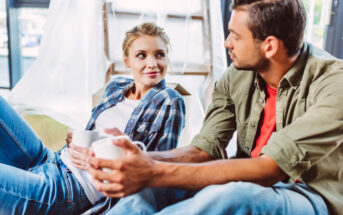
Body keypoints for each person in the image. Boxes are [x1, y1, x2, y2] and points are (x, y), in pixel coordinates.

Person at [86, 1, 343, 214]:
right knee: (149, 190)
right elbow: (204, 151)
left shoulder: (335, 83)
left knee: (231, 196)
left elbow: (269, 169)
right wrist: (138, 161)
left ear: (270, 46)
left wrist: (152, 170)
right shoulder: (237, 75)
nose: (226, 43)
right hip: (246, 178)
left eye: (236, 35)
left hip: (309, 193)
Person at [0, 22, 185, 214]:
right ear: (127, 61)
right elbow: (97, 133)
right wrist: (77, 138)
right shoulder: (116, 86)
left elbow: (153, 168)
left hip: (71, 189)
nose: (152, 63)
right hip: (53, 159)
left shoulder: (169, 100)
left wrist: (95, 162)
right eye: (142, 55)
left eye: (159, 55)